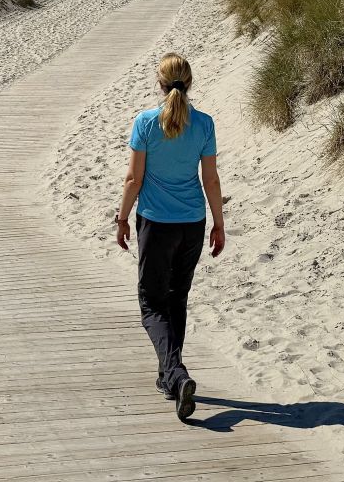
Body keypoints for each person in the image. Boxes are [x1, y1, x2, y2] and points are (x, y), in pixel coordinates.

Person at [114, 52, 225, 422]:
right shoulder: (204, 123)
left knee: (151, 303)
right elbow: (211, 180)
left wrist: (122, 218)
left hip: (156, 223)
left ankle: (175, 374)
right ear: (189, 83)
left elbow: (134, 179)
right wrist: (219, 224)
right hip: (192, 223)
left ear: (159, 83)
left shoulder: (146, 122)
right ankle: (168, 376)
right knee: (177, 299)